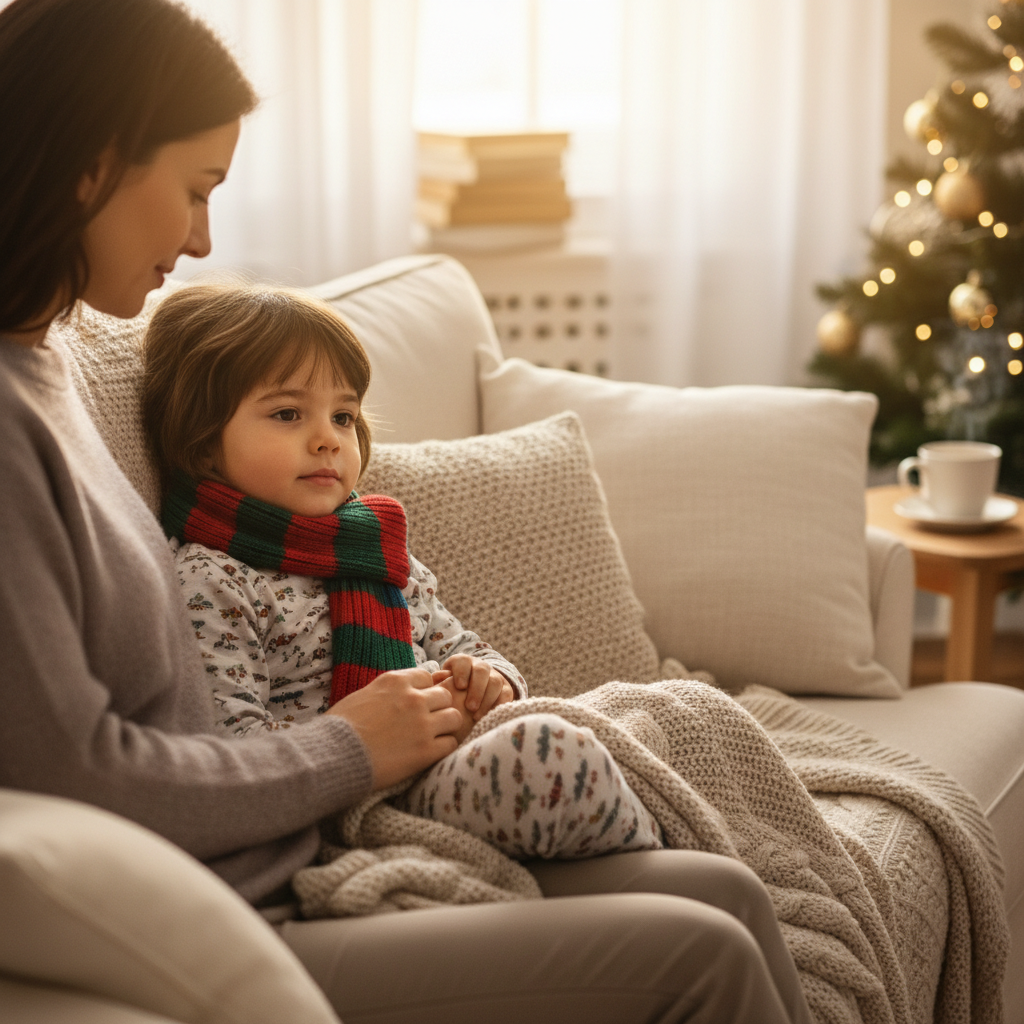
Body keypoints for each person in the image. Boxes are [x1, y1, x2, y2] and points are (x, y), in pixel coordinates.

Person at [0, 0, 811, 1021]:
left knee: (731, 891)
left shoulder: (48, 357)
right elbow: (74, 778)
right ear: (95, 161)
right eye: (197, 189)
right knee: (699, 955)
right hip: (237, 910)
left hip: (295, 848)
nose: (203, 238)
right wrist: (352, 747)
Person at [142, 281, 664, 859]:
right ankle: (650, 861)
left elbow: (472, 648)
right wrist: (359, 735)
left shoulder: (376, 551)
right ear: (202, 447)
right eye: (288, 414)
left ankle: (659, 852)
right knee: (550, 751)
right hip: (358, 801)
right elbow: (233, 752)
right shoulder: (213, 580)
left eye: (343, 416)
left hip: (448, 758)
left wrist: (488, 681)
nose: (326, 440)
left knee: (670, 713)